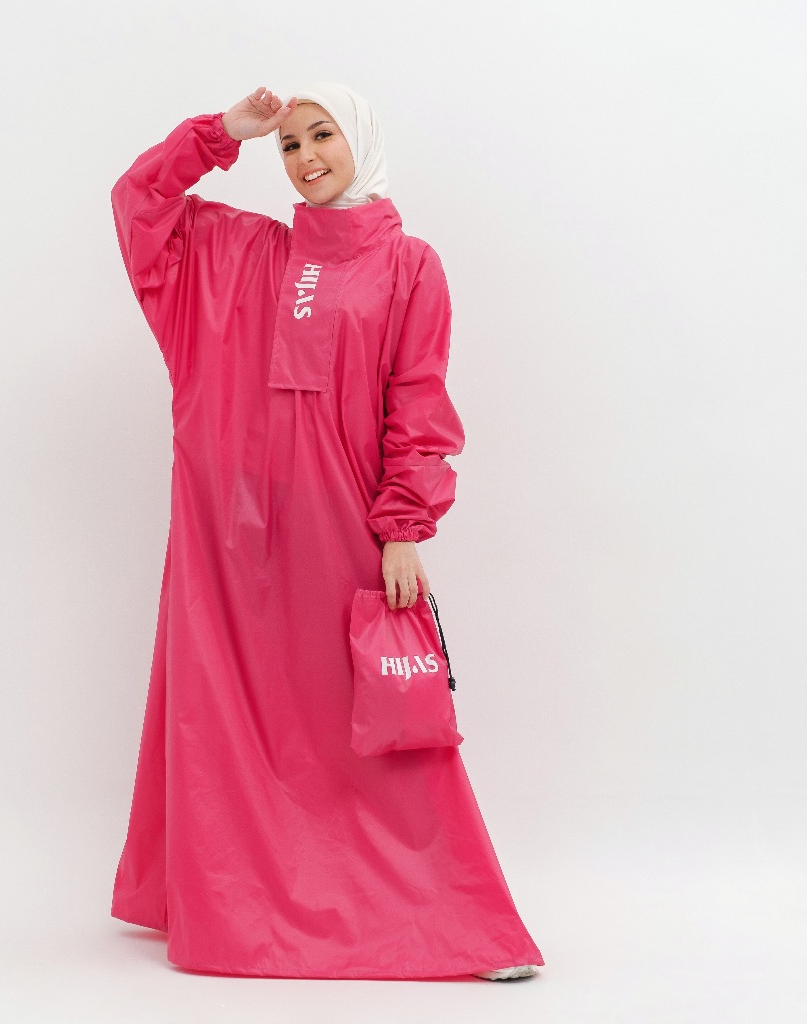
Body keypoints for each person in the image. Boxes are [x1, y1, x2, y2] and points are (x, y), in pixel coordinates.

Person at [108, 82, 544, 981]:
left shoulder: (410, 267)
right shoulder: (244, 252)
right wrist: (220, 133)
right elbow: (139, 203)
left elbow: (417, 401)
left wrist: (403, 528)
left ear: (362, 140)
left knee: (378, 725)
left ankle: (454, 921)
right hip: (231, 542)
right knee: (233, 718)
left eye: (322, 136)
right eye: (290, 146)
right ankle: (236, 911)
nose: (306, 158)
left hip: (343, 530)